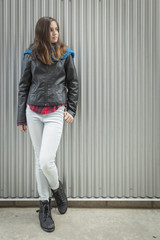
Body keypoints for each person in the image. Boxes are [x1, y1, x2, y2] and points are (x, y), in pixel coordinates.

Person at [17, 16, 79, 232]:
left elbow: (73, 83)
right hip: (33, 111)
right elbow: (24, 85)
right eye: (51, 30)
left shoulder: (65, 54)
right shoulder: (30, 55)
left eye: (57, 29)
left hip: (55, 112)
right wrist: (21, 117)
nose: (55, 33)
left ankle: (57, 188)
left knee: (45, 160)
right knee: (38, 159)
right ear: (42, 32)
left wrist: (71, 109)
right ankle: (45, 206)